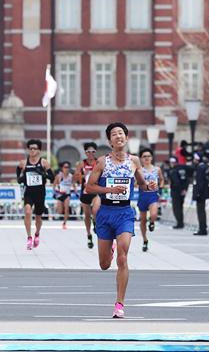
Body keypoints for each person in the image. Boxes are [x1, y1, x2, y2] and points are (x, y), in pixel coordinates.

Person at [84, 122, 155, 319]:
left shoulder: (134, 161)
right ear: (109, 141)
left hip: (124, 213)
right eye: (114, 134)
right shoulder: (102, 162)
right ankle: (110, 247)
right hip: (106, 213)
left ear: (126, 137)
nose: (118, 136)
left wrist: (149, 185)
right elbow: (89, 188)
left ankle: (119, 303)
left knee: (123, 258)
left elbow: (141, 184)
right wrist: (109, 190)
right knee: (105, 264)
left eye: (121, 133)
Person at [17, 139, 53, 250]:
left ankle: (37, 233)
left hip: (40, 193)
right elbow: (18, 178)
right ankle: (29, 237)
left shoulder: (44, 163)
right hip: (29, 193)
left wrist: (43, 174)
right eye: (30, 148)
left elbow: (52, 177)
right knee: (27, 211)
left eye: (35, 148)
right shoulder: (23, 163)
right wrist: (23, 177)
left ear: (39, 150)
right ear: (28, 150)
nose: (32, 150)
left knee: (38, 217)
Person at [136, 149, 163, 252]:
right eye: (144, 156)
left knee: (154, 214)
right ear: (141, 159)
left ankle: (152, 222)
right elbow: (136, 183)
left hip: (153, 195)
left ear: (152, 157)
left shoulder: (157, 169)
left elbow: (161, 179)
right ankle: (145, 240)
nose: (147, 158)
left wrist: (159, 187)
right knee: (142, 220)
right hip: (143, 195)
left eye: (148, 156)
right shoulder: (139, 170)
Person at [75, 142, 100, 248]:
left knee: (95, 210)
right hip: (85, 192)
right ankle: (89, 235)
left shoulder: (98, 162)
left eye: (93, 152)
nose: (90, 154)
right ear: (85, 153)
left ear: (95, 152)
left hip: (95, 191)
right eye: (88, 152)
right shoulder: (81, 164)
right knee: (86, 215)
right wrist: (82, 176)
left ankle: (96, 223)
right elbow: (76, 179)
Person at [167, 156, 189, 229]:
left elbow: (176, 181)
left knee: (176, 208)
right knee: (180, 207)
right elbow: (186, 180)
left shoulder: (173, 171)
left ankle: (179, 223)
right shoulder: (182, 169)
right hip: (182, 191)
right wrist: (184, 189)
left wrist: (178, 189)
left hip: (176, 191)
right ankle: (180, 222)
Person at [192, 152, 209, 236]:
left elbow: (200, 182)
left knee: (200, 211)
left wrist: (197, 193)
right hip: (203, 192)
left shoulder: (200, 168)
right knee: (201, 210)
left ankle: (202, 228)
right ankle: (203, 227)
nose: (194, 160)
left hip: (201, 193)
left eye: (195, 159)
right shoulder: (203, 167)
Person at [53, 161, 73, 229]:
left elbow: (73, 185)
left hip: (67, 194)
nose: (66, 169)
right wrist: (56, 191)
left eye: (68, 167)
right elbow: (54, 184)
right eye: (65, 167)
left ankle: (64, 223)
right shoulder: (59, 176)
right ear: (62, 168)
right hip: (60, 194)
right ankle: (57, 215)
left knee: (66, 208)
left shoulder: (70, 176)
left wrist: (74, 190)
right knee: (60, 210)